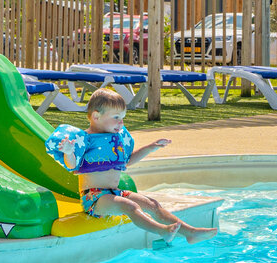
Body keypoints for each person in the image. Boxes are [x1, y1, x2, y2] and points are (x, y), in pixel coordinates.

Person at [44, 88, 218, 244]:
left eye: (122, 118)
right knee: (130, 207)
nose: (121, 123)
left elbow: (127, 162)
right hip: (94, 197)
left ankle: (190, 232)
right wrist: (68, 151)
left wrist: (150, 148)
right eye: (116, 118)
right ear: (96, 116)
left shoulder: (114, 141)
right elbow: (72, 165)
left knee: (152, 204)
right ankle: (162, 231)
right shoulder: (84, 141)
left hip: (116, 192)